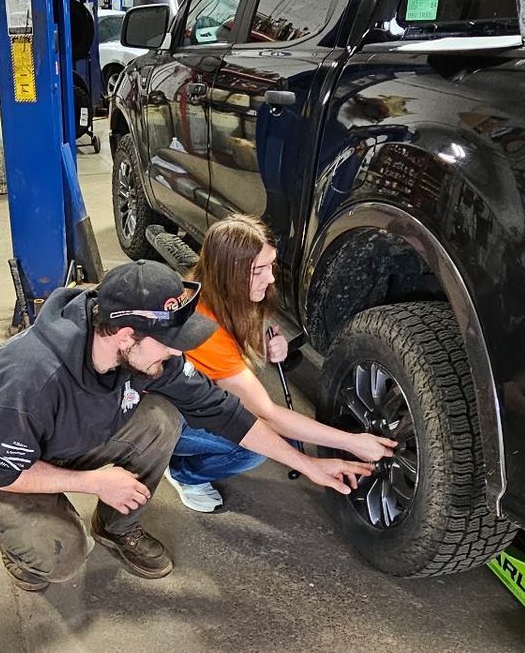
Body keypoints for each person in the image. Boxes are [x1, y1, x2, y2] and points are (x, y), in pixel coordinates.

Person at [0, 260, 377, 589]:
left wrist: (310, 465)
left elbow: (228, 414)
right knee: (58, 556)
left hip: (68, 438)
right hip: (3, 467)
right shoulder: (31, 378)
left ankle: (115, 527)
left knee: (161, 418)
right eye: (170, 343)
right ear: (123, 334)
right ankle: (18, 549)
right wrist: (97, 482)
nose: (177, 354)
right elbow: (3, 471)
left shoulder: (146, 356)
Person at [168, 215, 400, 512]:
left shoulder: (218, 287)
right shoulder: (205, 329)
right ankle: (182, 471)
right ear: (228, 273)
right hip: (164, 416)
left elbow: (245, 326)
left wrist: (263, 341)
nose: (271, 278)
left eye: (271, 265)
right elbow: (268, 415)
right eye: (259, 270)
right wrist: (352, 441)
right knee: (252, 448)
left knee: (269, 437)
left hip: (196, 391)